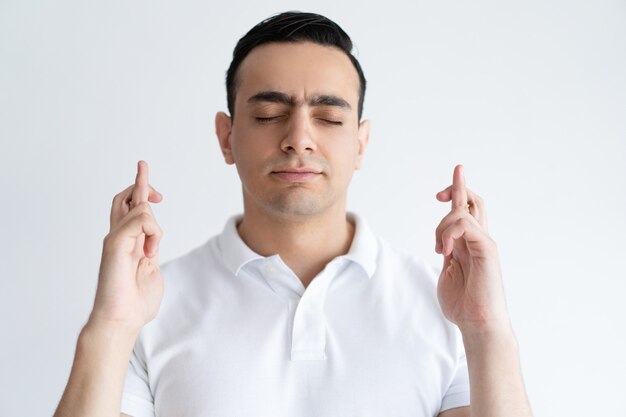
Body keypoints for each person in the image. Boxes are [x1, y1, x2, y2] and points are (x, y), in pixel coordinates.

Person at [54, 11, 533, 417]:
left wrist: (487, 331)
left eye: (329, 118)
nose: (299, 138)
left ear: (360, 143)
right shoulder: (150, 306)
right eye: (267, 115)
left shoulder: (444, 307)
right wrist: (112, 325)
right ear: (226, 136)